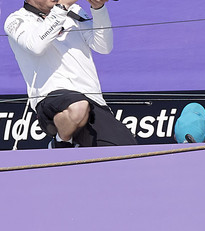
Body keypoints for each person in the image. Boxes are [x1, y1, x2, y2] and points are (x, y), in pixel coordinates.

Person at [5, 0, 134, 148]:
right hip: (50, 97)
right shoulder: (16, 20)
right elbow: (35, 46)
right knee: (78, 107)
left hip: (91, 98)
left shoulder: (75, 10)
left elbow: (103, 46)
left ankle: (68, 143)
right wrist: (62, 7)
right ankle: (61, 143)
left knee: (127, 150)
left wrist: (98, 9)